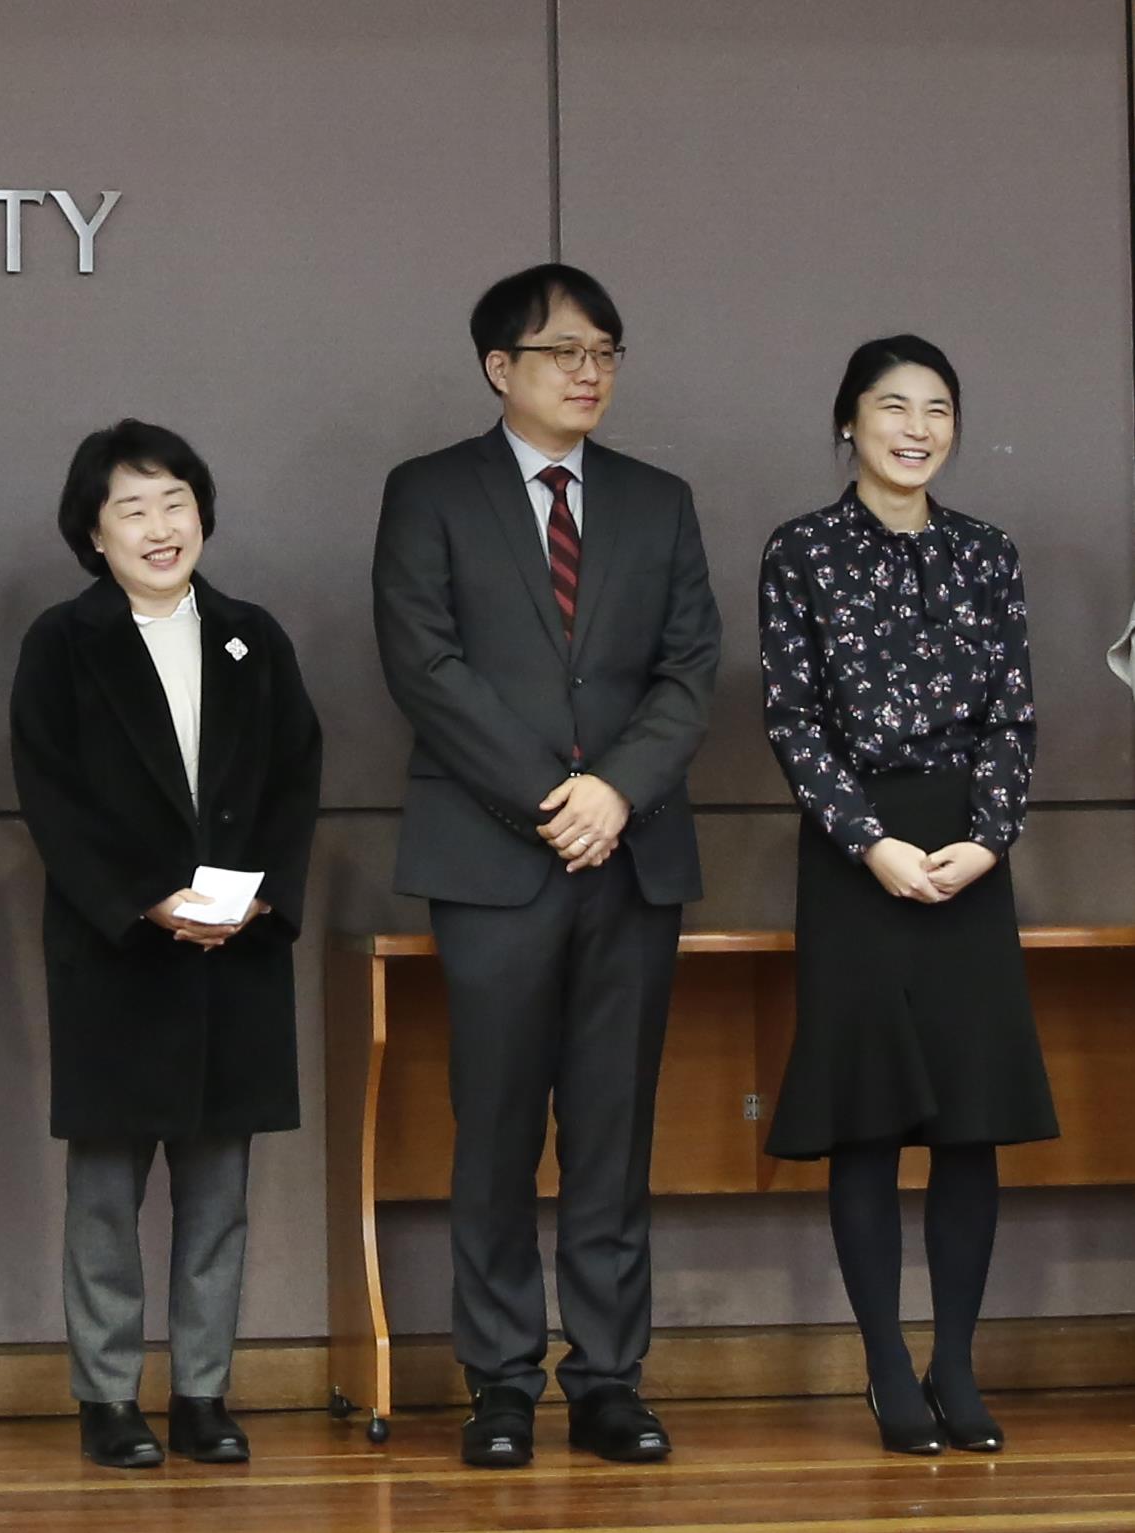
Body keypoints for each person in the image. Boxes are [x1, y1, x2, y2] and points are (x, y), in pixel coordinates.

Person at [371, 263, 720, 1468]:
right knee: (497, 1130)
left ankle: (610, 1379)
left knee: (615, 1134)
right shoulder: (428, 494)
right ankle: (501, 1383)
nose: (589, 372)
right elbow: (424, 666)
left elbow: (688, 674)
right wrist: (547, 799)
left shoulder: (658, 500)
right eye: (564, 351)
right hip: (493, 860)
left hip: (631, 859)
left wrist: (615, 790)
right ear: (497, 367)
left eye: (606, 352)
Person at [758, 335, 1054, 1455]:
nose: (916, 427)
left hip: (970, 856)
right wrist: (869, 841)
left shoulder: (987, 551)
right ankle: (885, 1365)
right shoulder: (802, 551)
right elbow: (791, 717)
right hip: (855, 858)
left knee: (968, 1125)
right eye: (893, 406)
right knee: (868, 1120)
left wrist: (986, 840)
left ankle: (958, 1365)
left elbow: (1013, 715)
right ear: (849, 421)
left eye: (937, 408)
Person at [9, 421, 321, 1469]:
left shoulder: (251, 635)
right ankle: (106, 1398)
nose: (159, 526)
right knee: (105, 1192)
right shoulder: (64, 641)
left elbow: (293, 780)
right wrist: (144, 900)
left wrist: (257, 899)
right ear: (92, 533)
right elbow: (48, 795)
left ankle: (201, 1394)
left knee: (219, 1194)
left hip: (233, 951)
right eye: (132, 508)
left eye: (175, 501)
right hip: (116, 954)